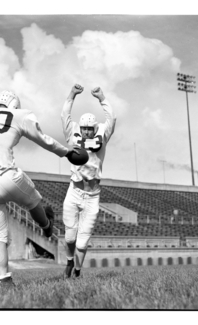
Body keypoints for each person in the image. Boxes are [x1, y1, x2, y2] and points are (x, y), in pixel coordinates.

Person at [0, 90, 78, 290]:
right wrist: (67, 153)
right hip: (6, 176)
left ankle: (4, 280)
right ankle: (46, 224)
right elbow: (44, 140)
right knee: (33, 201)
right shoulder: (20, 115)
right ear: (14, 106)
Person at [61, 84, 116, 279]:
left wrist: (102, 98)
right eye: (83, 129)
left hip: (92, 194)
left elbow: (111, 119)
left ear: (94, 129)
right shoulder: (73, 133)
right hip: (74, 191)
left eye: (88, 129)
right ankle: (69, 260)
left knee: (82, 243)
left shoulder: (102, 134)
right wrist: (72, 94)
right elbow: (65, 116)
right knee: (69, 237)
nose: (85, 132)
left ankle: (77, 271)